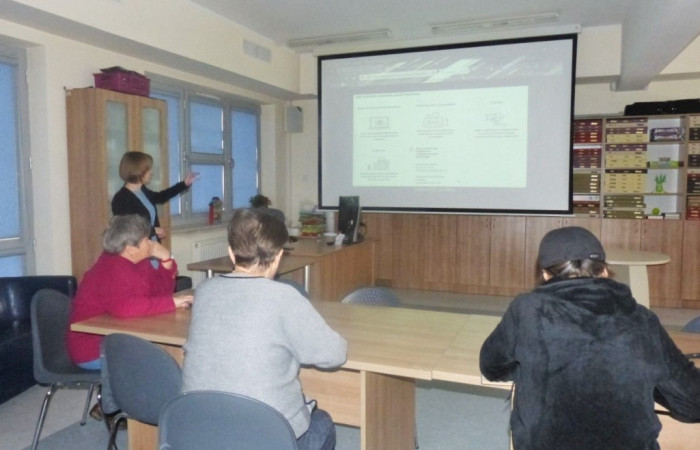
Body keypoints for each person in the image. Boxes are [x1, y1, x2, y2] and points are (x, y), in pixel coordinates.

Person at [480, 226, 700, 450]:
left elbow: (491, 366)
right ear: (604, 271)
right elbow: (693, 402)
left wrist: (530, 370)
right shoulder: (643, 319)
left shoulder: (526, 310)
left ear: (545, 275)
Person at [181, 208, 347, 450]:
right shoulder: (283, 297)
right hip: (265, 438)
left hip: (201, 430)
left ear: (231, 253)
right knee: (322, 423)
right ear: (279, 256)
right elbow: (335, 354)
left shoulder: (205, 290)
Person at [67, 214, 193, 369]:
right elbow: (124, 307)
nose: (152, 244)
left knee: (171, 355)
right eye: (146, 240)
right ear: (130, 249)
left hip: (122, 337)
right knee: (166, 359)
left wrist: (166, 260)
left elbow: (160, 293)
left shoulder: (138, 262)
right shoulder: (110, 269)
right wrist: (171, 302)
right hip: (93, 349)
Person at [111, 151, 197, 242]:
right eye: (148, 170)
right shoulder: (120, 199)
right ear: (138, 171)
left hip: (152, 245)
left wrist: (184, 184)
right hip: (139, 249)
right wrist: (154, 230)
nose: (151, 173)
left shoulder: (142, 190)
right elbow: (128, 229)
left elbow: (160, 197)